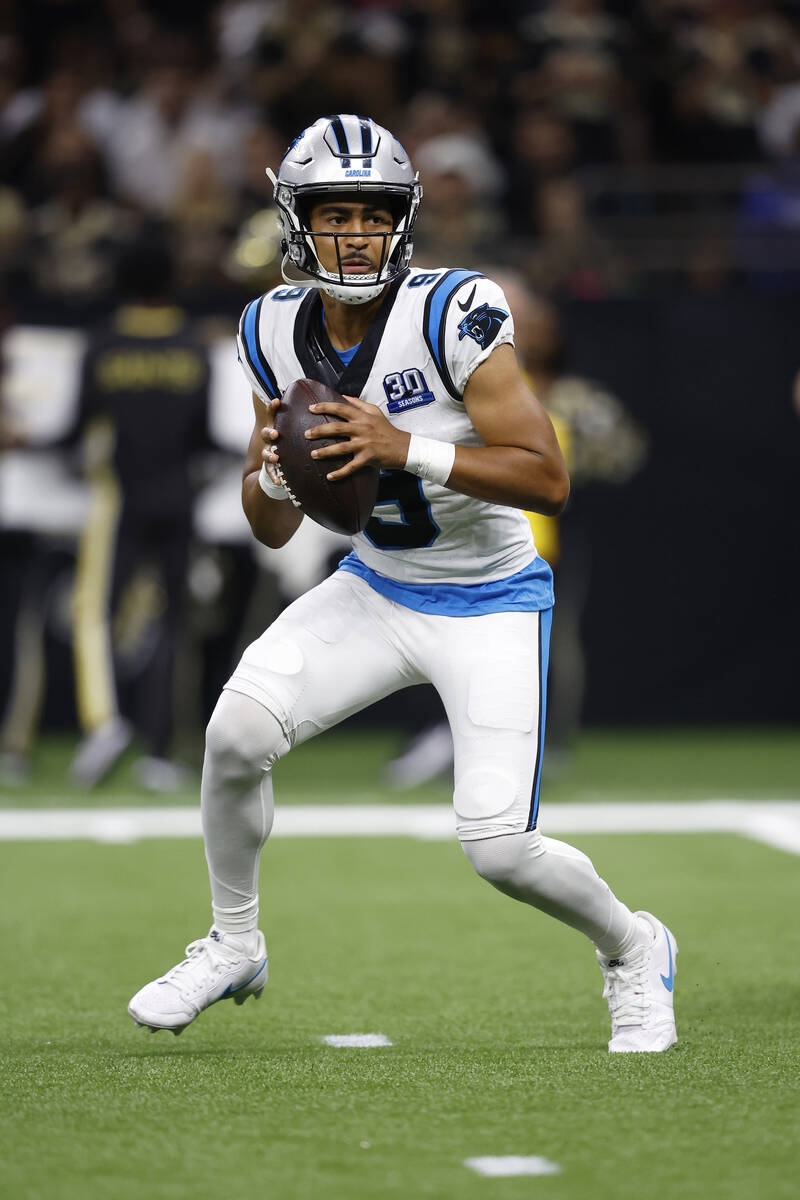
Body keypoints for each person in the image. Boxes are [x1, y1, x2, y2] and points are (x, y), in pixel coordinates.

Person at [128, 115, 678, 1053]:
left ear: (403, 221)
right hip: (378, 586)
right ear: (298, 223)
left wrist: (406, 448)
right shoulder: (268, 328)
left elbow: (548, 477)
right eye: (333, 214)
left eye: (371, 214)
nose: (354, 234)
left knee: (500, 850)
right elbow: (272, 524)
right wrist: (268, 468)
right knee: (235, 733)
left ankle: (634, 947)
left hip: (492, 598)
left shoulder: (451, 310)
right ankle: (233, 941)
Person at [68, 226, 212, 789]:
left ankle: (104, 722)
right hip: (181, 498)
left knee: (95, 612)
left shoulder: (102, 344)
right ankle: (161, 750)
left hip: (118, 500)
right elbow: (203, 437)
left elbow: (75, 431)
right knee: (175, 624)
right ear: (171, 280)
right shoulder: (193, 344)